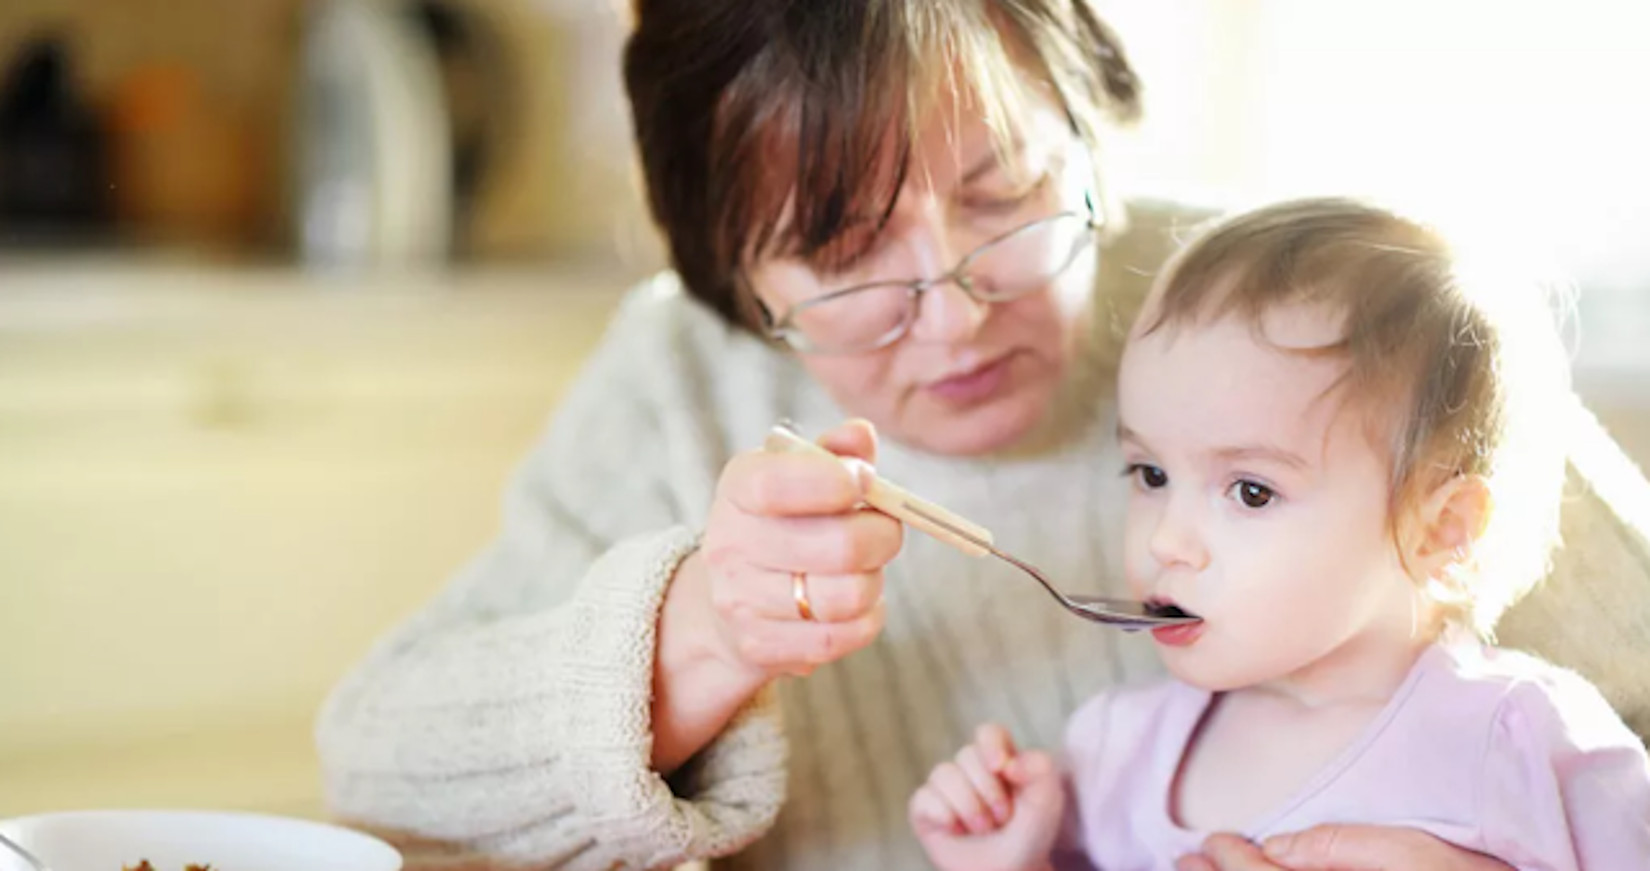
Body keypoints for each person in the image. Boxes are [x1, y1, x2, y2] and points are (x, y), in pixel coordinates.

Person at [315, 3, 1650, 869]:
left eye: (1006, 192)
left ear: (1089, 127)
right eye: (841, 255)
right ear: (735, 281)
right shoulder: (676, 374)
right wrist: (704, 634)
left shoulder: (1297, 311)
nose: (954, 314)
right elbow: (374, 751)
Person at [908, 198, 1650, 871]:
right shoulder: (1107, 754)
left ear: (1441, 528)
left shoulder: (1521, 739)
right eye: (1150, 473)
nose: (1167, 539)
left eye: (1251, 490)